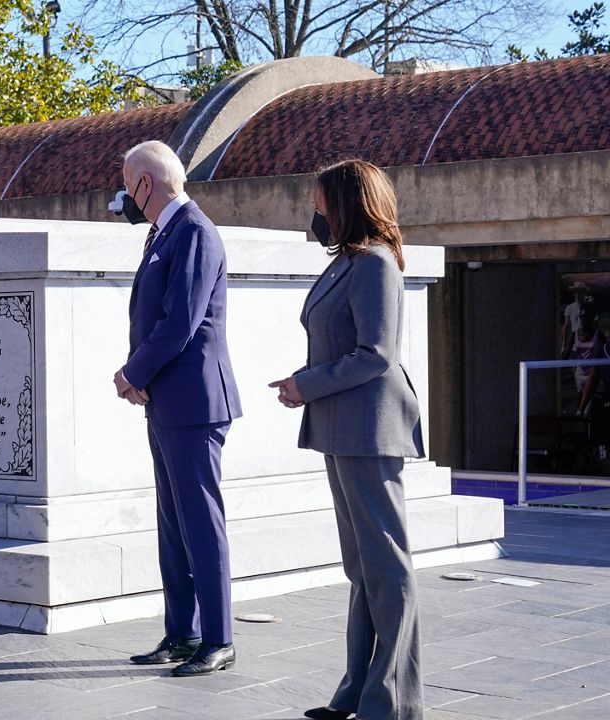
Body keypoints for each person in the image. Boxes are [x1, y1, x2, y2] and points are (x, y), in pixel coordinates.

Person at [268, 159, 425, 720]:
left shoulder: (375, 264)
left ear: (347, 204)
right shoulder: (347, 264)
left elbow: (376, 354)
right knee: (362, 568)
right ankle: (358, 692)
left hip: (368, 428)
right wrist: (303, 386)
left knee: (387, 569)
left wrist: (305, 385)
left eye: (321, 204)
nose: (315, 215)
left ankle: (394, 704)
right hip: (342, 427)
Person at [114, 141, 242, 677]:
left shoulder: (192, 230)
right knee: (173, 523)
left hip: (193, 401)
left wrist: (132, 373)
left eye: (128, 184)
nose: (124, 195)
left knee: (199, 520)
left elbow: (179, 322)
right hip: (168, 400)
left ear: (148, 182)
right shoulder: (164, 233)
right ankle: (182, 632)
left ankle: (218, 638)